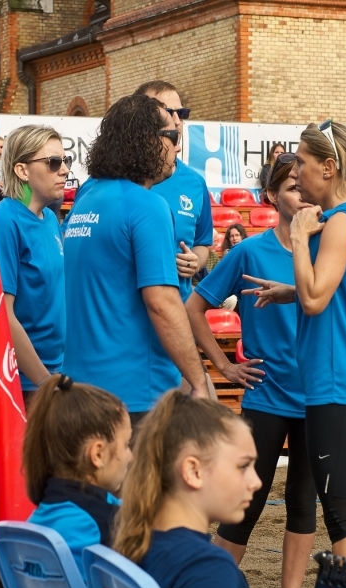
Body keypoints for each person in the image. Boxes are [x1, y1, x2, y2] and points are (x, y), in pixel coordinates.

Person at [249, 120, 346, 563]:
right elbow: (344, 291)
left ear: (329, 167)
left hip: (337, 389)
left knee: (344, 523)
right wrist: (289, 290)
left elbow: (313, 300)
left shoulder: (339, 223)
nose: (296, 170)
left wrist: (297, 237)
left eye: (302, 162)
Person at [185, 152, 316, 588]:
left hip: (317, 396)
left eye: (305, 184)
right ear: (271, 196)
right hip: (265, 397)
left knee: (303, 506)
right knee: (243, 509)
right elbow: (194, 308)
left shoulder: (326, 249)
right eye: (292, 186)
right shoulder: (248, 251)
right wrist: (223, 366)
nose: (301, 193)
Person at [62, 94, 209, 425]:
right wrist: (199, 382)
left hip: (80, 388)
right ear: (147, 141)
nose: (177, 148)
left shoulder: (88, 199)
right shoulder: (147, 206)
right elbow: (162, 304)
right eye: (171, 136)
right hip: (136, 395)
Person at [113, 391, 261, 588]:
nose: (257, 482)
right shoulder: (207, 570)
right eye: (243, 466)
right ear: (193, 471)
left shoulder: (132, 542)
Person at [0, 125, 68, 408]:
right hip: (23, 383)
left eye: (65, 160)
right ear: (22, 171)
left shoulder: (48, 219)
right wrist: (44, 382)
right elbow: (2, 315)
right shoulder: (3, 221)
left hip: (53, 375)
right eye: (53, 162)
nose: (64, 170)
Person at [23, 374, 132, 576]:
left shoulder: (35, 523)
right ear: (98, 454)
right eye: (126, 445)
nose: (130, 456)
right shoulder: (107, 524)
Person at [136, 80, 213, 303]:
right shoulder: (114, 181)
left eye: (182, 112)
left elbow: (202, 242)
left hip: (178, 311)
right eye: (168, 112)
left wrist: (195, 262)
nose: (177, 121)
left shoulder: (195, 183)